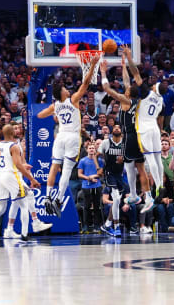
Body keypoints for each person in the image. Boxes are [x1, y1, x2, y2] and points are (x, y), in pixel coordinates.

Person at [37, 54, 99, 217]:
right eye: (64, 88)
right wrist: (92, 65)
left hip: (60, 136)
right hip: (72, 137)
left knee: (54, 167)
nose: (67, 89)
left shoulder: (55, 105)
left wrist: (54, 114)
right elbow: (86, 83)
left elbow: (40, 115)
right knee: (66, 171)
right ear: (63, 93)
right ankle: (57, 200)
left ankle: (48, 197)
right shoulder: (72, 100)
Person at [98, 50, 154, 212]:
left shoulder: (125, 100)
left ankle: (143, 195)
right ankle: (138, 195)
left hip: (130, 136)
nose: (125, 89)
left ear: (128, 93)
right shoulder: (137, 100)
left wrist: (103, 72)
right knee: (134, 167)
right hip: (138, 136)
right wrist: (123, 66)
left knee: (134, 168)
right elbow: (127, 81)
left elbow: (108, 89)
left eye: (126, 89)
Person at [0, 124, 40, 242]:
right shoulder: (14, 146)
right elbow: (18, 165)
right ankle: (25, 234)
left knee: (1, 208)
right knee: (24, 204)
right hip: (11, 176)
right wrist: (32, 179)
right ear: (11, 133)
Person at [132, 61, 167, 210]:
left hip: (145, 128)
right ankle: (160, 185)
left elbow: (137, 76)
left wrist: (129, 60)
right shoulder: (161, 99)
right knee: (158, 158)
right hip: (155, 127)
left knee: (150, 158)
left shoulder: (147, 93)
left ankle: (158, 187)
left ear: (155, 87)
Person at [99, 124, 126, 237]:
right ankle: (116, 226)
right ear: (111, 131)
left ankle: (107, 224)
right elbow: (97, 155)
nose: (116, 128)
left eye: (118, 127)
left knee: (117, 201)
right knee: (115, 198)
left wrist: (123, 159)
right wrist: (99, 168)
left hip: (119, 174)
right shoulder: (106, 142)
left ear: (121, 131)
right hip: (109, 173)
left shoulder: (124, 144)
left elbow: (129, 159)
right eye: (114, 127)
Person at [77, 142, 103, 233]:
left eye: (93, 148)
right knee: (86, 206)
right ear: (87, 150)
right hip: (86, 186)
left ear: (95, 150)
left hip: (97, 185)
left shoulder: (99, 161)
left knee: (97, 206)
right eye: (90, 148)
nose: (92, 149)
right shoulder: (83, 161)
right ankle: (85, 226)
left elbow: (101, 173)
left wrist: (94, 177)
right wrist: (88, 178)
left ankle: (97, 226)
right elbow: (79, 174)